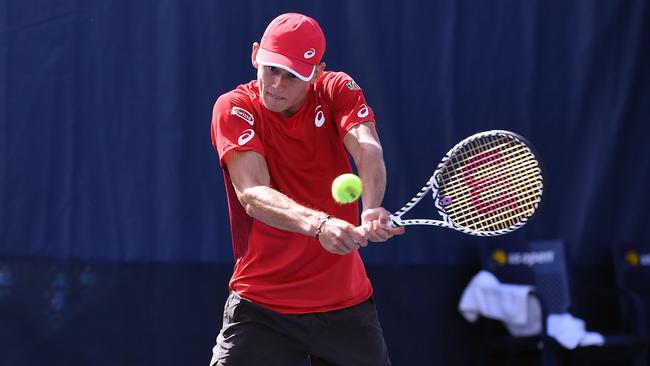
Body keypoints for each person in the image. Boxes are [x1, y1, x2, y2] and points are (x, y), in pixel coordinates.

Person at [209, 12, 405, 366]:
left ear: (316, 72)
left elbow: (367, 145)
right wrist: (320, 225)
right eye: (271, 69)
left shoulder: (336, 90)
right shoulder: (234, 108)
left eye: (293, 76)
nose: (277, 85)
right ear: (255, 55)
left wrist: (372, 206)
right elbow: (252, 193)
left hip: (346, 308)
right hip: (262, 307)